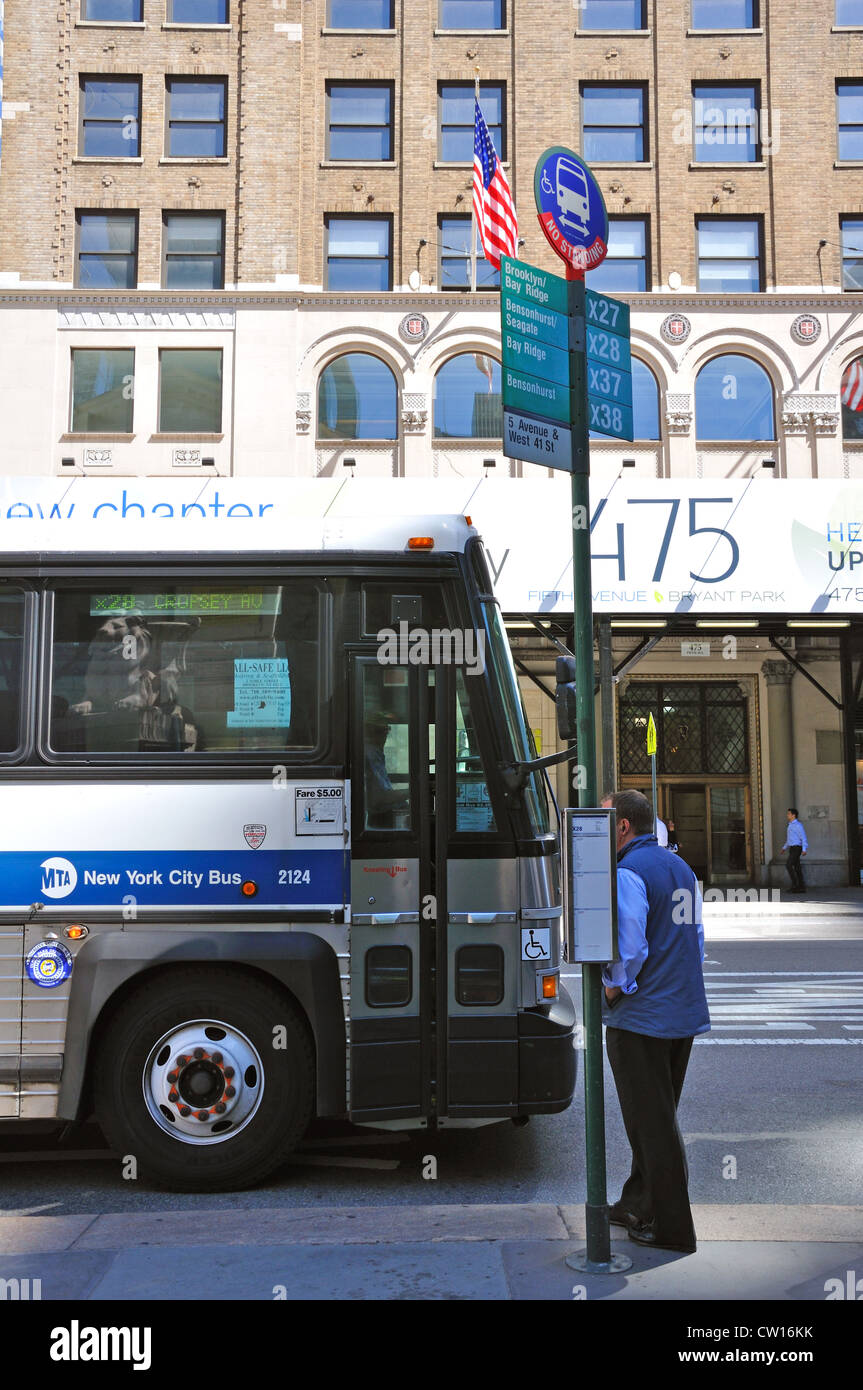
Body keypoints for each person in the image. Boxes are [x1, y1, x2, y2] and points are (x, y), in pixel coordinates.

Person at [600, 789, 711, 1255]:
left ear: (623, 826)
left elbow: (630, 948)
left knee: (652, 1125)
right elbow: (697, 939)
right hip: (681, 1014)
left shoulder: (628, 872)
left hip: (642, 1019)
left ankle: (671, 1228)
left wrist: (612, 987)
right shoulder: (679, 867)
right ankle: (636, 1202)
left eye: (605, 820)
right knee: (657, 1119)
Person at [364, 708, 409, 829]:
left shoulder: (374, 753)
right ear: (371, 732)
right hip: (381, 819)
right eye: (382, 731)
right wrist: (414, 792)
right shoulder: (370, 754)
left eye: (386, 731)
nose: (385, 737)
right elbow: (380, 798)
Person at [781, 807, 808, 893]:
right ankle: (801, 886)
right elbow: (789, 839)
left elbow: (803, 837)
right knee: (797, 867)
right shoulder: (790, 825)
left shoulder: (798, 825)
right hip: (792, 848)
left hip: (797, 848)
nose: (787, 815)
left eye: (789, 814)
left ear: (794, 815)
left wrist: (804, 849)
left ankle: (795, 885)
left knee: (788, 865)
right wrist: (784, 848)